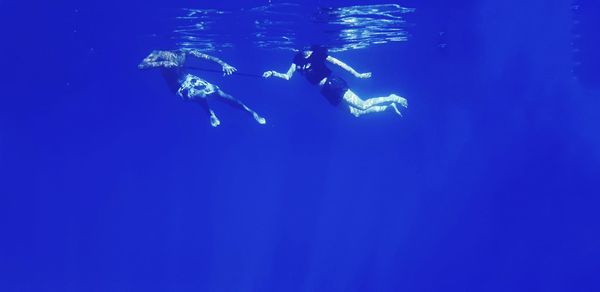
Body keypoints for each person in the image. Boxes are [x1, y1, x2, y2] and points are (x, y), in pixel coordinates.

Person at [262, 45, 407, 117]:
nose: (303, 50)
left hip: (334, 84)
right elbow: (287, 76)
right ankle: (388, 107)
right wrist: (273, 73)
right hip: (324, 91)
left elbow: (339, 63)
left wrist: (357, 74)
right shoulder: (297, 59)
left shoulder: (318, 53)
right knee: (356, 114)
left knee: (362, 105)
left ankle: (391, 97)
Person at [138, 49, 266, 127]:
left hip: (189, 78)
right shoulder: (157, 53)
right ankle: (210, 113)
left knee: (220, 93)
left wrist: (223, 64)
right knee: (201, 95)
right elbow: (142, 65)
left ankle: (250, 111)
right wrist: (162, 63)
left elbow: (207, 57)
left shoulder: (183, 51)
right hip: (177, 87)